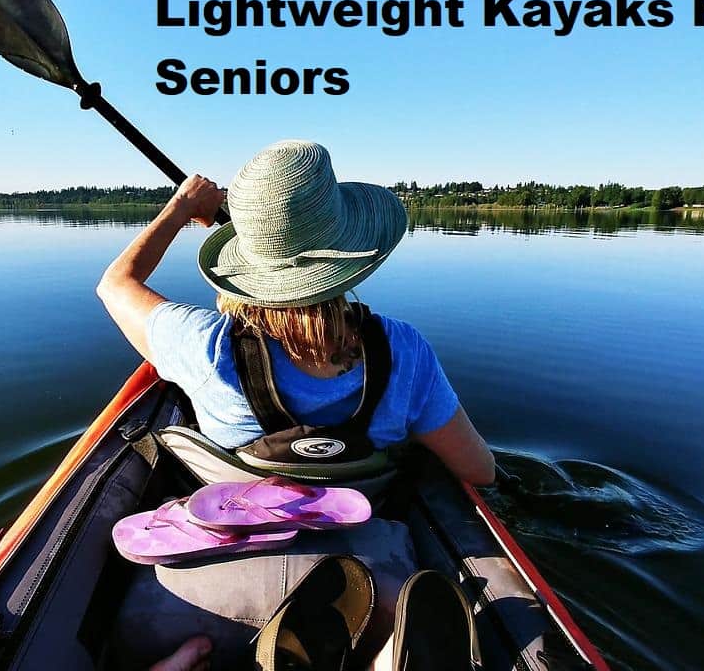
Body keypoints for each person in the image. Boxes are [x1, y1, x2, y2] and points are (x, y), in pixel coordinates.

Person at [96, 139, 494, 488]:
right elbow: (480, 472)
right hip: (369, 530)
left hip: (245, 531)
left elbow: (115, 284)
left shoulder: (203, 345)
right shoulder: (404, 350)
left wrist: (182, 205)